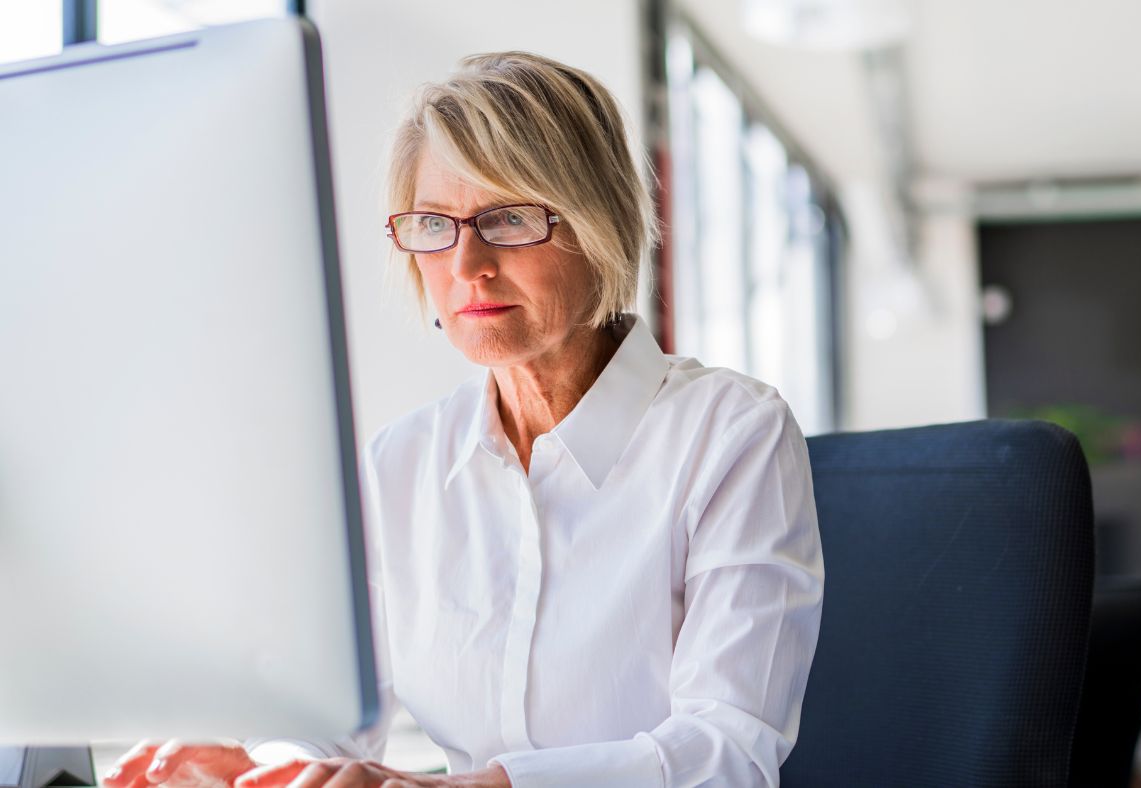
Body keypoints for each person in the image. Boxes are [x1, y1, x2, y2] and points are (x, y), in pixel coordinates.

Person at [100, 51, 824, 788]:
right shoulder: (402, 463)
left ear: (598, 221)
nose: (466, 263)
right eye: (432, 225)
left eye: (507, 219)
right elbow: (324, 719)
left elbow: (729, 750)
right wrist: (268, 768)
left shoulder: (731, 434)